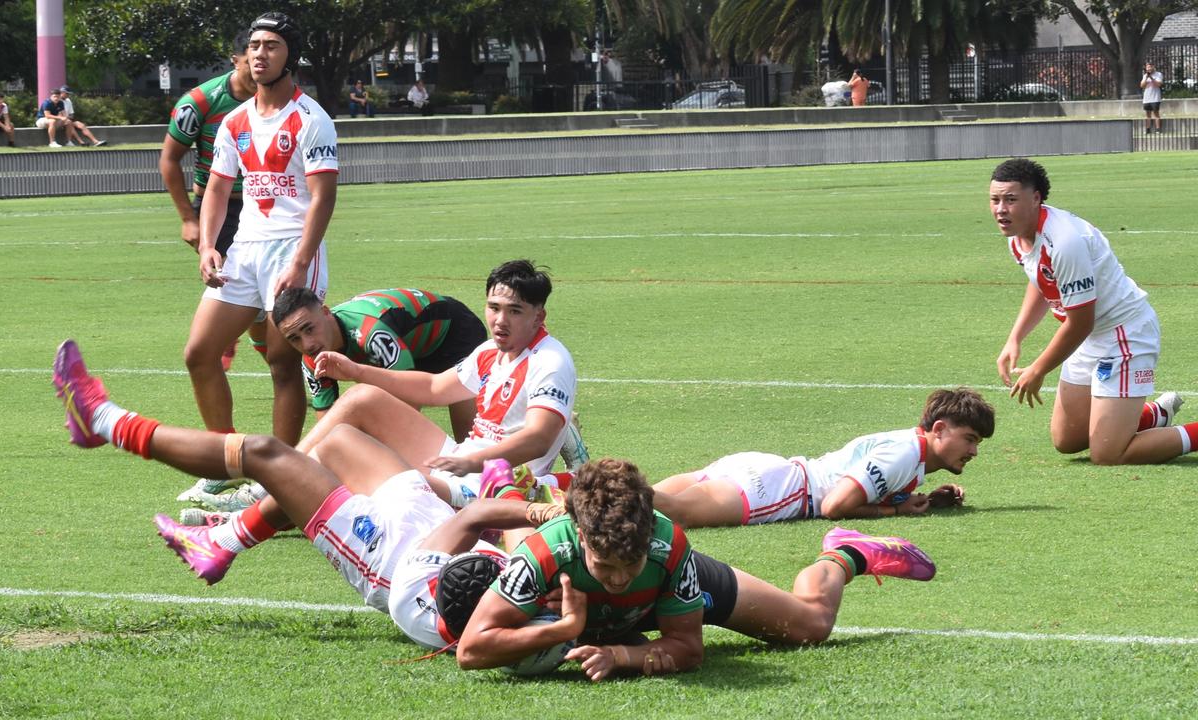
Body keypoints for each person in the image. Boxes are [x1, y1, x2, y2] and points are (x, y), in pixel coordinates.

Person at [50, 339, 555, 649]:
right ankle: (224, 540)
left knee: (268, 455)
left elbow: (486, 520)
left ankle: (105, 422)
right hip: (442, 535)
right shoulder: (567, 600)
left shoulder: (493, 621)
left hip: (391, 555)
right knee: (337, 442)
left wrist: (520, 498)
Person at [450, 458, 937, 681]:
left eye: (629, 563)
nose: (619, 577)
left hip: (656, 598)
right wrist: (565, 629)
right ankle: (510, 492)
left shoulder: (667, 547)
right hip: (593, 609)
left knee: (811, 625)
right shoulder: (542, 555)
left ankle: (845, 554)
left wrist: (620, 656)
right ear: (580, 539)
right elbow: (471, 651)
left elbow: (687, 649)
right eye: (605, 566)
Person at [185, 13, 338, 474]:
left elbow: (323, 197)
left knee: (281, 364)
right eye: (253, 45)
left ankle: (280, 475)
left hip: (292, 249)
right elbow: (216, 188)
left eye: (271, 45)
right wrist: (210, 245)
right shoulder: (234, 121)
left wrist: (301, 261)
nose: (259, 54)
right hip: (244, 250)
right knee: (199, 354)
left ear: (290, 55)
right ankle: (225, 464)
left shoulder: (312, 119)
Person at [309, 260, 589, 507]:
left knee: (390, 484)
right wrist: (357, 370)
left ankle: (280, 492)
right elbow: (434, 388)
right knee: (360, 400)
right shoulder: (489, 351)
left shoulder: (551, 361)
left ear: (538, 317)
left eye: (514, 311)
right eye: (494, 308)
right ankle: (277, 480)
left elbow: (539, 439)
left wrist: (472, 463)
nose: (500, 320)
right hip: (461, 462)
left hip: (493, 484)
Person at [989, 158, 1193, 465]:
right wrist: (1015, 337)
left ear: (1036, 199)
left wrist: (1038, 369)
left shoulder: (1065, 242)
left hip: (1125, 333)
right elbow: (1042, 279)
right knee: (1067, 440)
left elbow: (1080, 323)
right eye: (995, 200)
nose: (1001, 209)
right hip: (1090, 337)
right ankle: (1153, 414)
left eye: (1010, 199)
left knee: (1108, 454)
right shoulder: (1018, 236)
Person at [651, 388, 992, 528]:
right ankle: (597, 478)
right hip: (778, 491)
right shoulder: (904, 454)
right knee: (669, 512)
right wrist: (895, 510)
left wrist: (920, 500)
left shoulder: (908, 448)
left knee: (644, 501)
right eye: (969, 439)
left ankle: (598, 482)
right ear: (939, 429)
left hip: (771, 471)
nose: (974, 451)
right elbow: (834, 505)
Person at [159, 29, 267, 388]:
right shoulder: (201, 102)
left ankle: (258, 341)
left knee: (262, 282)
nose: (258, 71)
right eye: (251, 60)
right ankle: (228, 339)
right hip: (215, 203)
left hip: (262, 203)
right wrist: (188, 219)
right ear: (236, 59)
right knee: (231, 275)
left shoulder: (276, 99)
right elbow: (170, 160)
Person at [273, 286, 488, 446]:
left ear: (326, 312)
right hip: (409, 347)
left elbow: (409, 403)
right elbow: (328, 425)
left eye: (309, 329)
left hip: (454, 333)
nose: (307, 344)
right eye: (294, 339)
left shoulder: (372, 332)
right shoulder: (312, 357)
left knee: (469, 441)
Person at [1141, 62, 1163, 133]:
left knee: (1156, 113)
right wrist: (1146, 78)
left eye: (1150, 67)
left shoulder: (1158, 74)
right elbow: (1142, 86)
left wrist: (1151, 78)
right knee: (1148, 114)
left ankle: (1158, 129)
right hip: (1147, 98)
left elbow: (1159, 84)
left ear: (1153, 67)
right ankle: (1148, 129)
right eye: (1147, 67)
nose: (1149, 69)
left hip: (1155, 98)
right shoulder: (1145, 75)